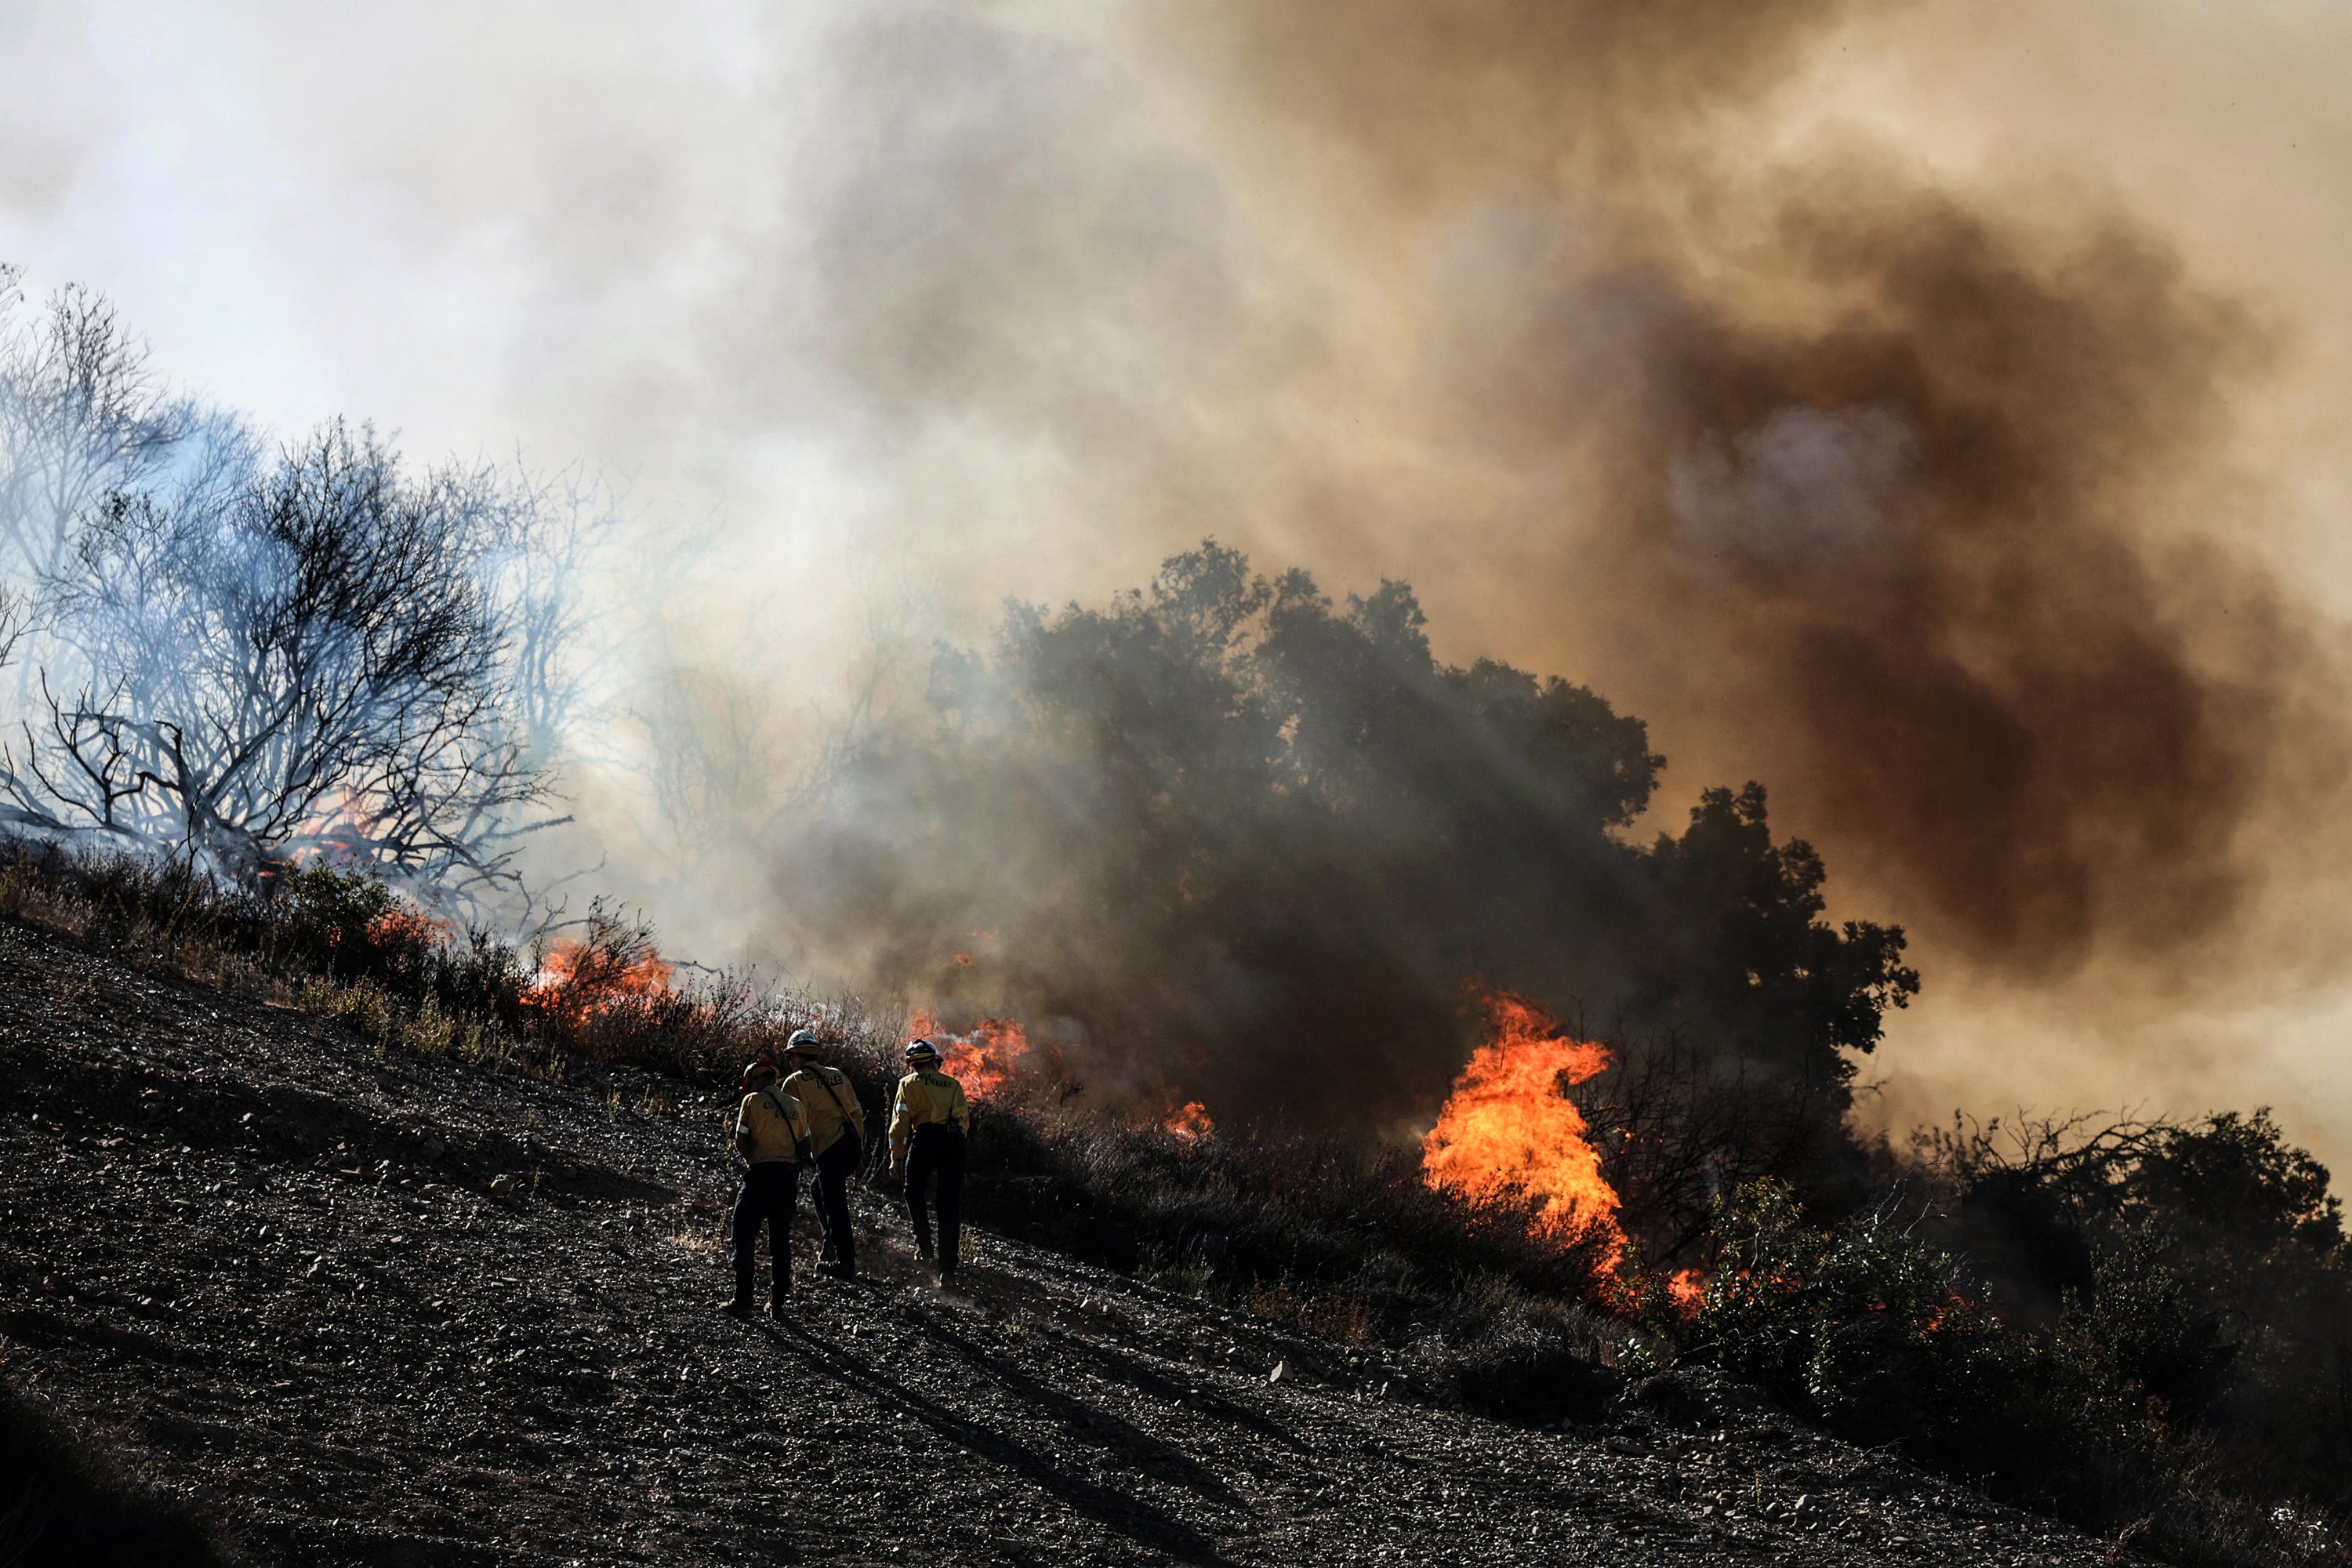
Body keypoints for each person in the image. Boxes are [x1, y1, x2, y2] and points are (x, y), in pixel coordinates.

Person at [724, 1056, 812, 1318]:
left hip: (761, 1174)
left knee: (743, 1232)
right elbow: (806, 1147)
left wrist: (754, 1159)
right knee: (780, 1240)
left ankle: (743, 1300)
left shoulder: (751, 1101)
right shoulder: (797, 1105)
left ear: (753, 1081)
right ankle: (776, 1305)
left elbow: (741, 1139)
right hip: (787, 1179)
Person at [779, 1029, 866, 1279]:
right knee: (819, 1188)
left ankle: (845, 1261)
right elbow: (857, 1111)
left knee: (834, 1200)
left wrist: (792, 1155)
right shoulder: (838, 1075)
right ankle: (831, 1241)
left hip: (830, 1147)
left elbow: (789, 1122)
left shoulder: (794, 1082)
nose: (791, 1063)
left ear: (796, 1057)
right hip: (852, 1144)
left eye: (790, 1057)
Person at [888, 1038, 971, 1287]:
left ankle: (924, 1246)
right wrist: (955, 1147)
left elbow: (900, 1122)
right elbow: (963, 1121)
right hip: (952, 1142)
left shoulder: (907, 1083)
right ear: (936, 1061)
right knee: (948, 1206)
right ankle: (948, 1271)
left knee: (912, 1190)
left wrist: (897, 1156)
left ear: (913, 1064)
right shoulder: (953, 1084)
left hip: (924, 1139)